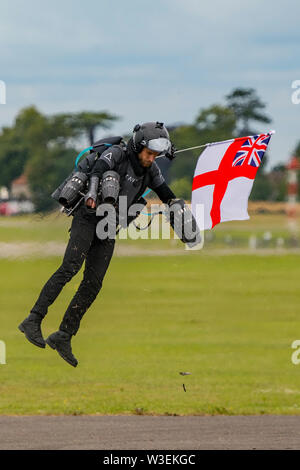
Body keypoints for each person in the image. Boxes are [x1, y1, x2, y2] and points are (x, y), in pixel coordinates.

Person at [18, 122, 198, 367]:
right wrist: (92, 195)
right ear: (137, 147)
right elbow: (97, 171)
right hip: (87, 217)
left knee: (93, 283)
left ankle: (63, 335)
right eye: (148, 153)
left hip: (108, 225)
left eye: (156, 154)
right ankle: (33, 319)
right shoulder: (117, 154)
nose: (151, 158)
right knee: (70, 268)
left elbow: (166, 194)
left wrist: (178, 210)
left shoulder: (151, 170)